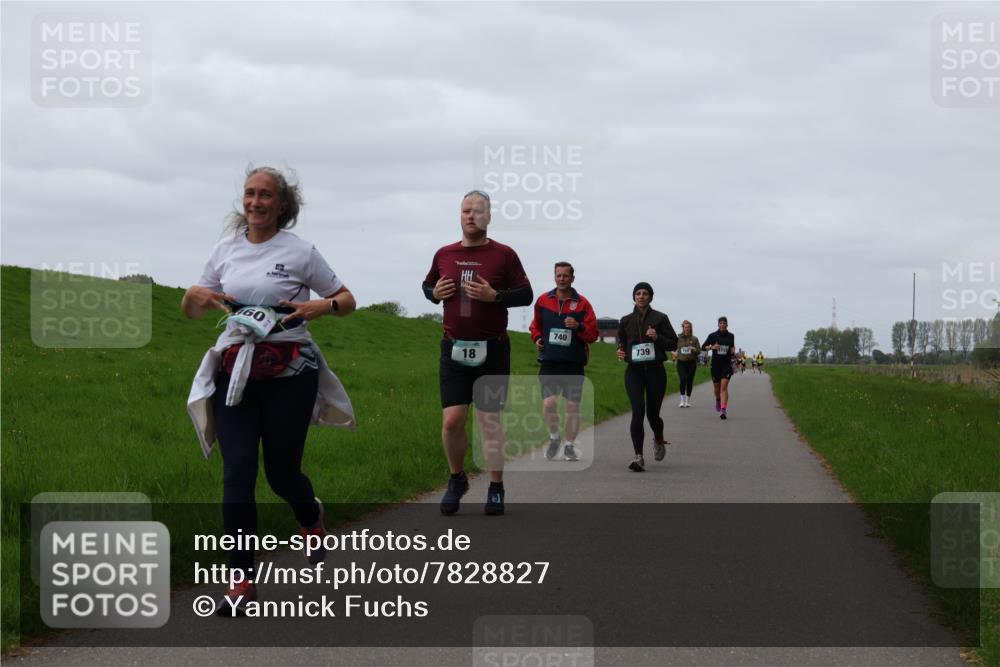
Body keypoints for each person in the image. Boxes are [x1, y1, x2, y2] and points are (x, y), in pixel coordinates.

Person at [184, 166, 357, 616]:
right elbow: (194, 309)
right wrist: (192, 297)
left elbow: (346, 299)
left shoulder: (300, 251)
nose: (255, 202)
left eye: (264, 196)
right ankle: (240, 580)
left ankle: (309, 515)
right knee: (237, 473)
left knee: (281, 473)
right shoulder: (225, 249)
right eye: (249, 193)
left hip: (290, 372)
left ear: (282, 205)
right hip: (236, 370)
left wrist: (323, 305)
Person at [422, 190, 532, 516]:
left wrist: (494, 296)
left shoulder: (504, 255)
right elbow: (428, 285)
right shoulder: (444, 253)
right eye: (466, 210)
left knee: (489, 421)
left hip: (493, 350)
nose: (471, 216)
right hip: (453, 349)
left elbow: (525, 294)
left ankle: (496, 486)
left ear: (489, 216)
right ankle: (457, 479)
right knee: (452, 420)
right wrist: (433, 293)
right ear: (460, 215)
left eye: (478, 211)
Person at [529, 262, 599, 461]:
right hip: (550, 361)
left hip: (573, 363)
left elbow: (594, 334)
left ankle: (569, 446)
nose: (562, 279)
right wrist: (538, 339)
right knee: (549, 404)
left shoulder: (583, 304)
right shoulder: (543, 300)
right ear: (554, 277)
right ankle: (554, 438)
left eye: (565, 276)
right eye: (558, 275)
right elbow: (536, 326)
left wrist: (578, 326)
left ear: (572, 278)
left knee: (572, 407)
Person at [616, 283, 678, 471]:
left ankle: (658, 438)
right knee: (638, 410)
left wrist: (657, 337)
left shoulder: (660, 318)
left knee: (652, 415)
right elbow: (621, 343)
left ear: (651, 297)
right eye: (638, 293)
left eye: (645, 293)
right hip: (634, 372)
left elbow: (673, 343)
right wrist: (620, 352)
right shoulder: (626, 320)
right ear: (633, 297)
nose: (641, 296)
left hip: (655, 371)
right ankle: (638, 456)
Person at [702, 316, 736, 420]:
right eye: (720, 323)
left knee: (724, 387)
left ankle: (723, 410)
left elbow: (732, 347)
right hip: (715, 365)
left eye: (724, 323)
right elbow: (703, 347)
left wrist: (733, 351)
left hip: (726, 365)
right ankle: (717, 399)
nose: (722, 324)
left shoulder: (731, 335)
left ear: (727, 325)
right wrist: (712, 347)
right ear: (718, 324)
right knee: (717, 390)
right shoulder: (712, 335)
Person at [672, 320, 700, 407]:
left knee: (689, 381)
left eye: (688, 327)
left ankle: (687, 401)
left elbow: (699, 350)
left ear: (690, 328)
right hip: (681, 362)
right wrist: (674, 353)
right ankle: (681, 400)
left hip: (691, 363)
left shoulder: (694, 339)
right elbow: (672, 347)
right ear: (683, 328)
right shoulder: (678, 338)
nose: (687, 329)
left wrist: (694, 349)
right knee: (683, 379)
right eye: (685, 327)